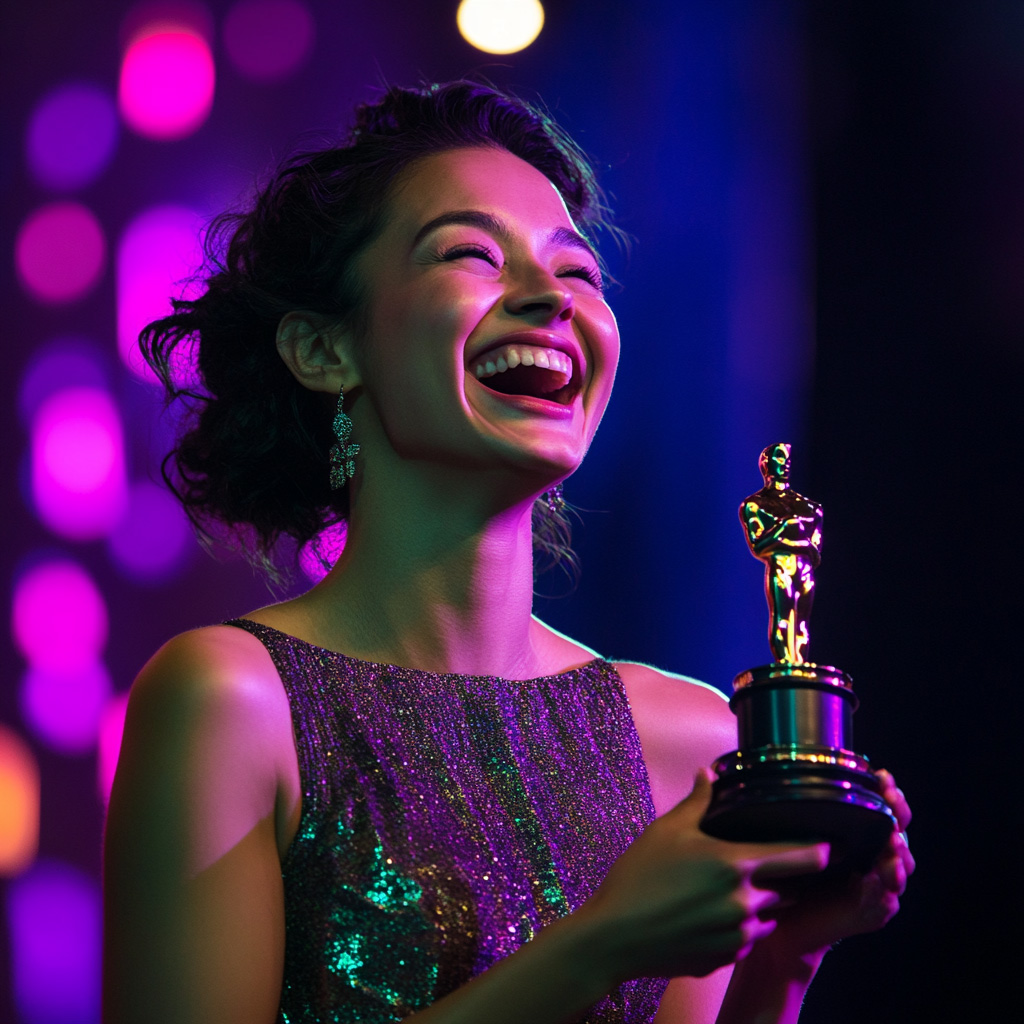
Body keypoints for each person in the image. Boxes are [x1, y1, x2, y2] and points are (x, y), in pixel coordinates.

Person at [102, 81, 913, 1024]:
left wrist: (783, 963)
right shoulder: (231, 701)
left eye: (578, 272)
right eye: (471, 255)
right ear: (325, 351)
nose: (549, 298)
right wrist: (604, 942)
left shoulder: (693, 742)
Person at [739, 443, 823, 665]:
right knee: (783, 618)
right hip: (781, 565)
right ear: (766, 464)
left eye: (787, 458)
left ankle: (798, 669)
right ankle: (786, 667)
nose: (785, 463)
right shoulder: (755, 505)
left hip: (803, 569)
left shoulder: (811, 508)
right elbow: (758, 545)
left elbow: (815, 553)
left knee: (801, 624)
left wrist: (789, 534)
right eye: (779, 457)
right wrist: (786, 528)